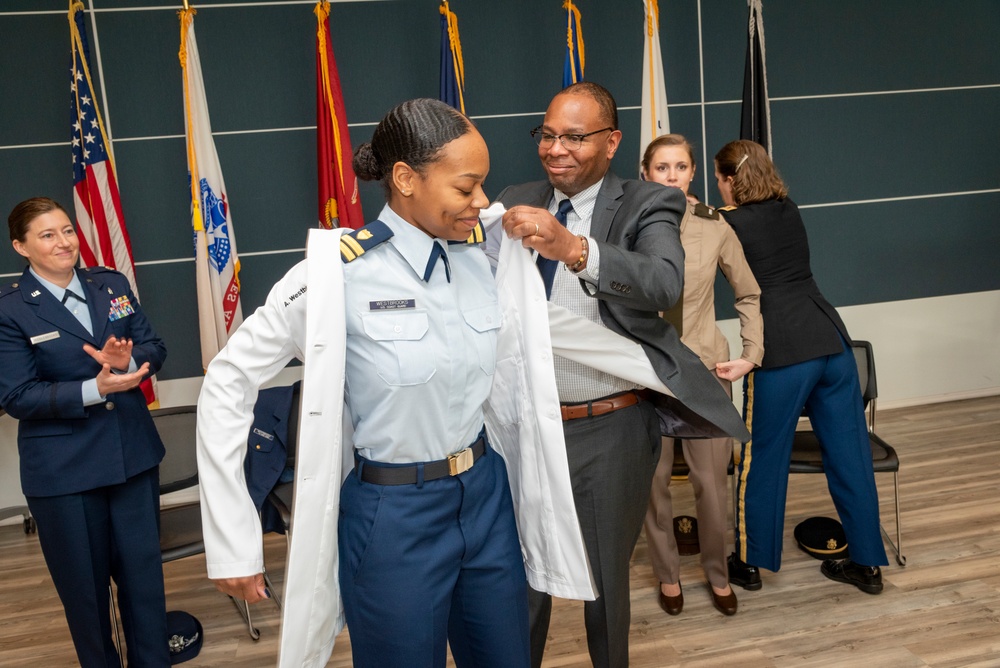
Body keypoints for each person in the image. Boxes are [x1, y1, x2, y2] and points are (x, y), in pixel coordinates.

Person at [197, 98, 553, 668]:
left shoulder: (483, 255)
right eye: (467, 188)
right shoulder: (338, 274)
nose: (482, 201)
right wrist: (231, 539)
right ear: (406, 179)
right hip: (394, 515)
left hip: (486, 495)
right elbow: (227, 380)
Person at [492, 82, 748, 668]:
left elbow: (663, 283)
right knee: (521, 579)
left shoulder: (648, 202)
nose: (556, 149)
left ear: (611, 142)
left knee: (605, 584)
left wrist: (576, 249)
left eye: (574, 137)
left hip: (609, 428)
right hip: (525, 427)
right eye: (548, 135)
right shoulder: (515, 197)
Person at [714, 139, 889, 595]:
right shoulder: (788, 207)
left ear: (730, 180)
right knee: (851, 455)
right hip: (832, 342)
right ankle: (868, 566)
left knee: (763, 458)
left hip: (782, 351)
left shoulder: (725, 223)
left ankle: (751, 563)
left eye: (718, 179)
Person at [0, 197, 169, 667]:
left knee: (144, 588)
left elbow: (154, 344)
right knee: (86, 597)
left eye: (67, 230)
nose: (64, 242)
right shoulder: (10, 310)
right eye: (47, 235)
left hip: (130, 458)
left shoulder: (109, 284)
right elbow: (17, 396)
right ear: (21, 246)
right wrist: (92, 388)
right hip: (64, 475)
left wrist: (130, 362)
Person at [640, 134, 763, 616]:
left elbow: (748, 294)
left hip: (705, 369)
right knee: (652, 486)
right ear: (645, 172)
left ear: (693, 173)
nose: (672, 175)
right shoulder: (623, 224)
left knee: (712, 487)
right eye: (662, 167)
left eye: (681, 167)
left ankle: (717, 572)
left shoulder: (715, 227)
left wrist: (751, 353)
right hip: (645, 373)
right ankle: (668, 577)